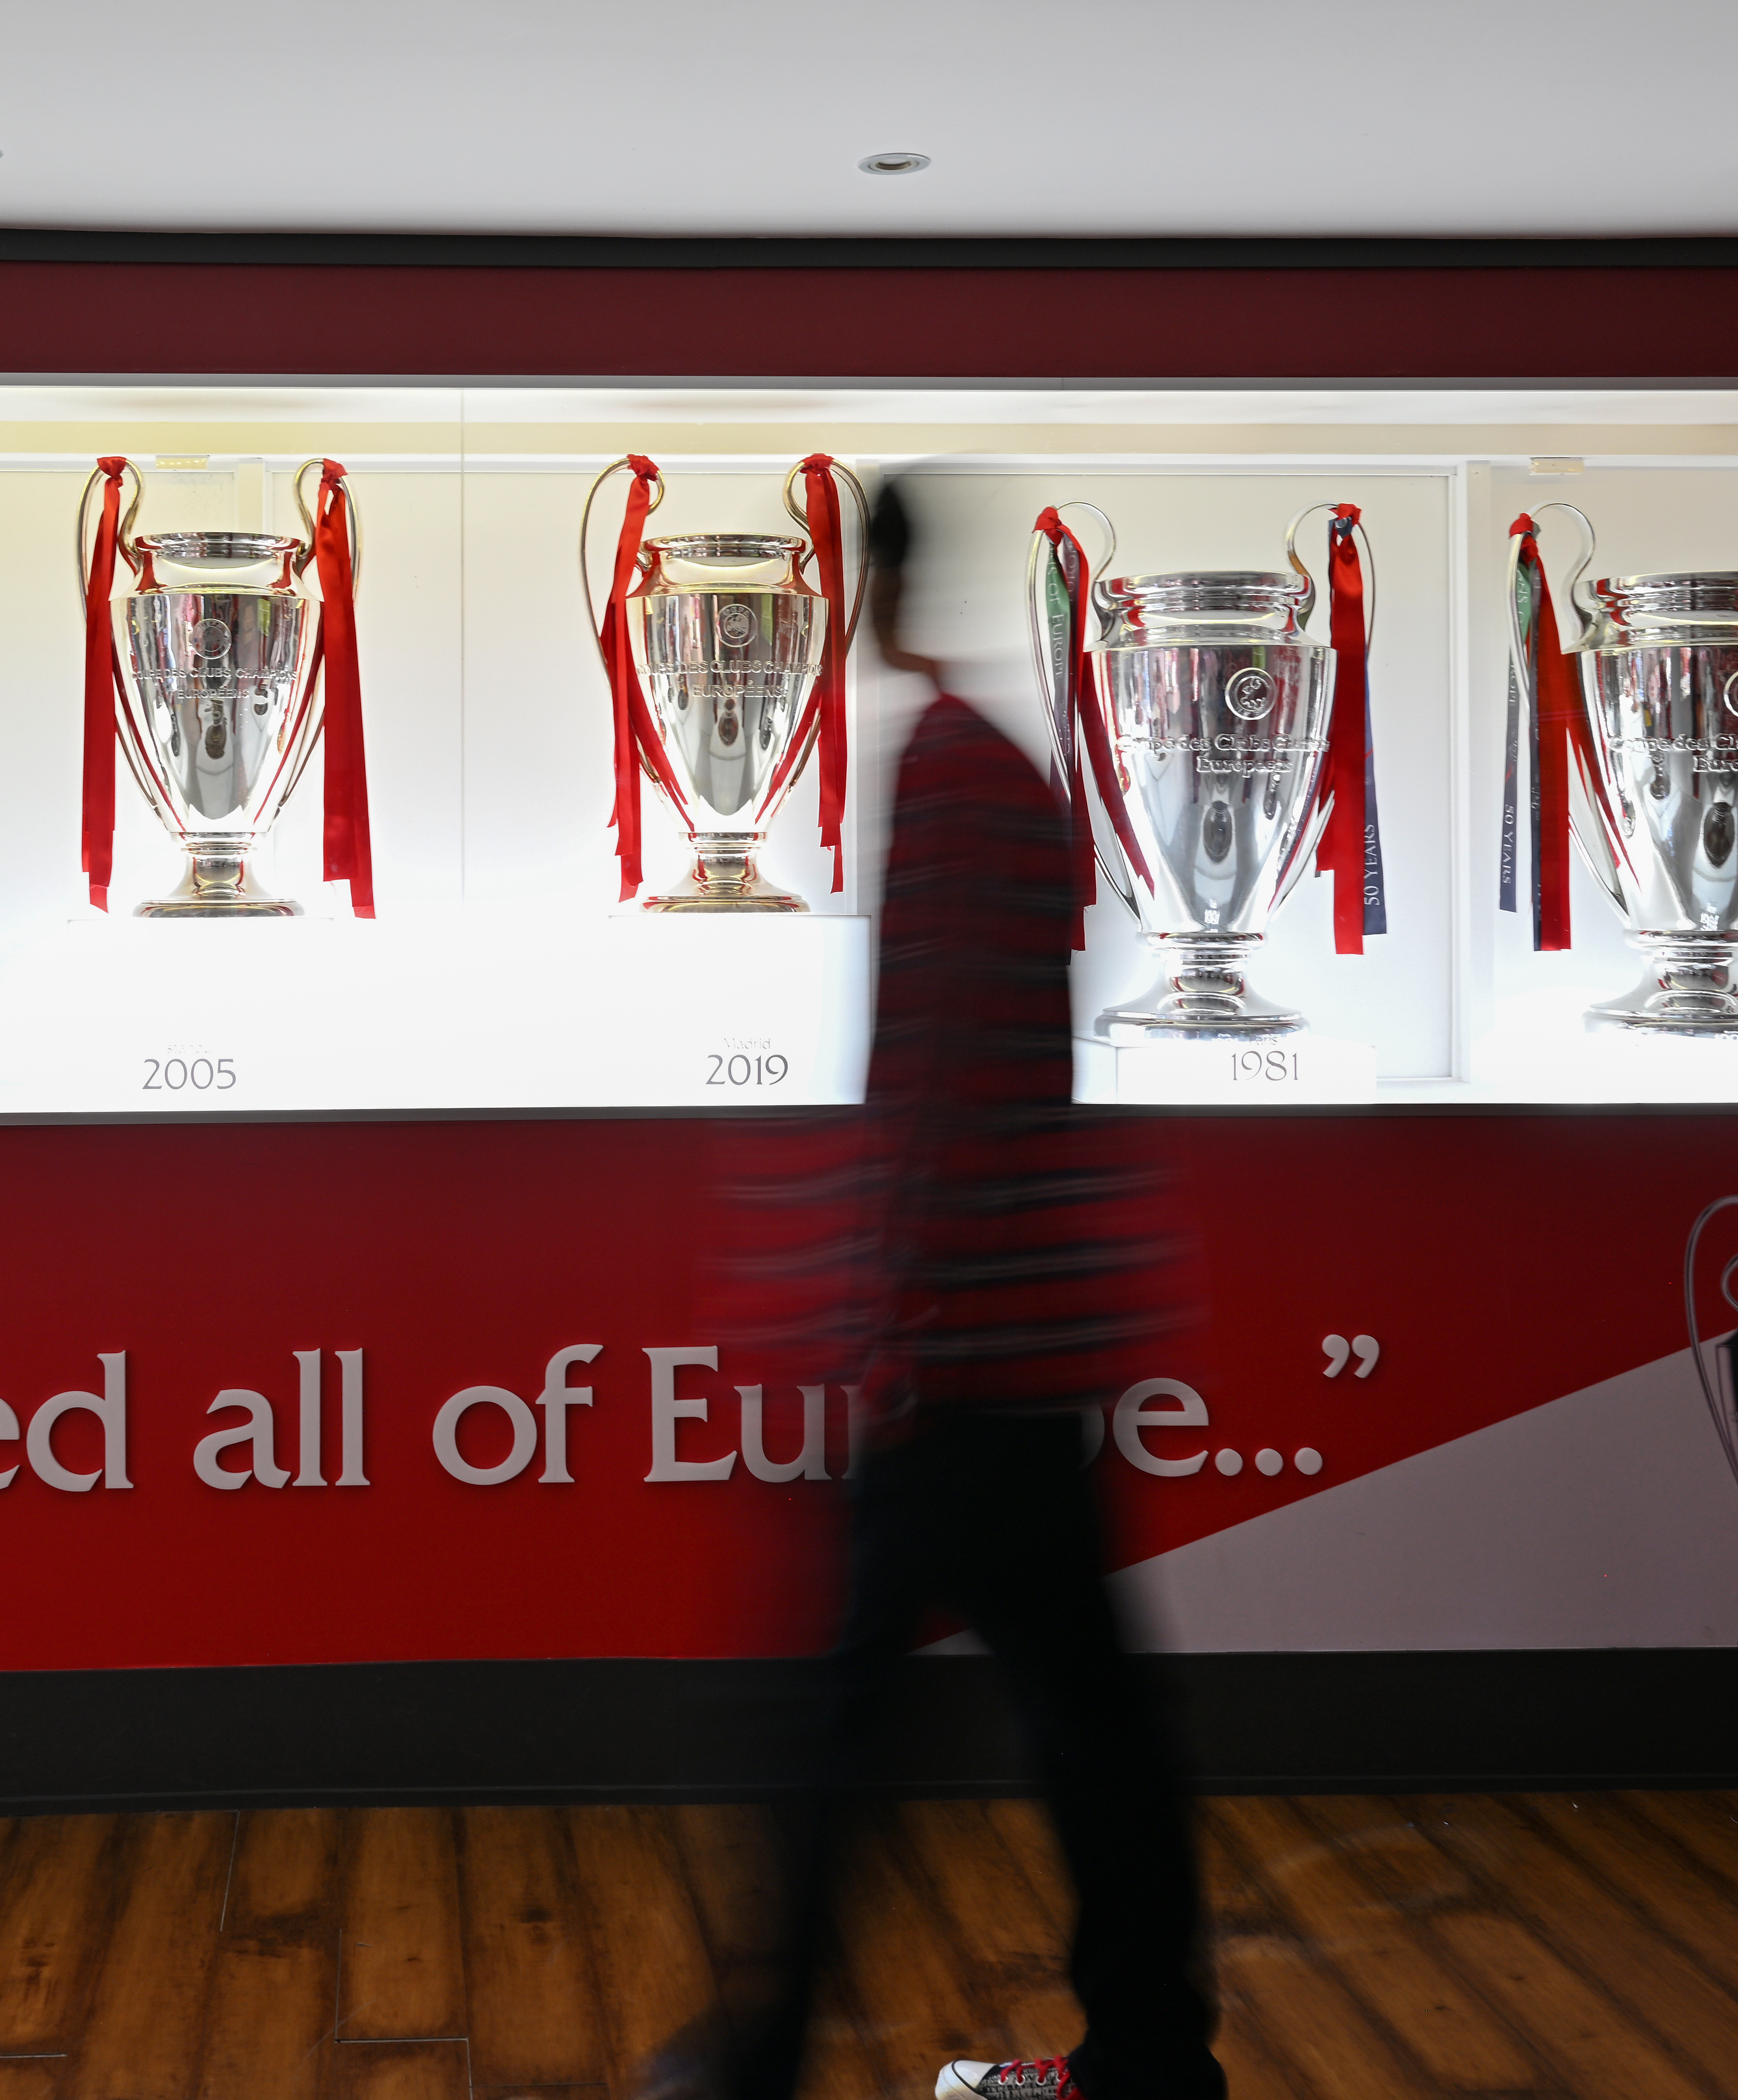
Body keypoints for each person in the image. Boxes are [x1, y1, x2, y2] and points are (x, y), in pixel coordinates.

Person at [692, 479, 1228, 2100]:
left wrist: (894, 1324)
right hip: (1030, 1343)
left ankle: (761, 2058)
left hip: (963, 1359)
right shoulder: (997, 767)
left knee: (853, 1732)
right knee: (1093, 1737)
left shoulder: (941, 774)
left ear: (869, 590)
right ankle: (1149, 2055)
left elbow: (935, 1084)